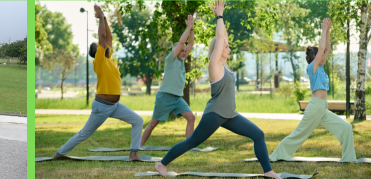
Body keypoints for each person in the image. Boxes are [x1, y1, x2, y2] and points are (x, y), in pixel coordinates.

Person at [155, 2, 280, 178]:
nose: (229, 48)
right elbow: (220, 39)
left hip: (229, 114)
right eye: (226, 47)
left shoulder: (224, 64)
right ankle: (161, 164)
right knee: (192, 142)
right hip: (214, 114)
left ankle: (268, 172)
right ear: (218, 50)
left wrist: (222, 19)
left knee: (258, 134)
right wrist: (219, 17)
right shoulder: (215, 65)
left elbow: (223, 37)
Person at [52, 4, 144, 161]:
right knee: (85, 133)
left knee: (138, 120)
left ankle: (133, 154)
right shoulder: (100, 61)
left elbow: (108, 37)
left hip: (114, 106)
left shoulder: (109, 59)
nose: (106, 46)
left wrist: (105, 18)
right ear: (98, 52)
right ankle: (59, 153)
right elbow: (102, 37)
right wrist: (100, 17)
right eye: (102, 47)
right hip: (102, 107)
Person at [269, 18, 356, 162]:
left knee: (346, 128)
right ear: (315, 57)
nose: (324, 57)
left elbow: (326, 49)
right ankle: (276, 155)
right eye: (320, 55)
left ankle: (348, 158)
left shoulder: (320, 67)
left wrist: (327, 31)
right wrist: (322, 30)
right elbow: (322, 49)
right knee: (299, 134)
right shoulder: (312, 68)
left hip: (322, 109)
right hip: (315, 107)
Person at [141, 14, 198, 146]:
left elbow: (190, 43)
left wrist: (192, 29)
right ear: (176, 51)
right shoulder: (170, 60)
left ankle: (188, 145)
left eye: (185, 51)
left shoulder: (181, 60)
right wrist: (188, 27)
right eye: (182, 51)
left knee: (191, 117)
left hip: (177, 98)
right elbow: (183, 42)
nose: (184, 53)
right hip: (165, 96)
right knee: (153, 123)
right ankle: (139, 145)